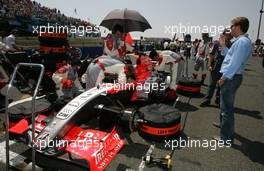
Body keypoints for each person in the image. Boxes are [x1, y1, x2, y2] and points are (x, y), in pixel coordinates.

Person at [213, 17, 252, 145]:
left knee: (227, 109)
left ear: (239, 26)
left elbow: (234, 64)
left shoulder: (241, 42)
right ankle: (223, 125)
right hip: (233, 77)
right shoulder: (242, 41)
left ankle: (226, 138)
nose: (230, 29)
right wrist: (224, 45)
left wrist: (224, 78)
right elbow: (230, 56)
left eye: (232, 26)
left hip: (231, 77)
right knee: (225, 106)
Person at [200, 30, 233, 107]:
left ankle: (218, 100)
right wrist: (209, 65)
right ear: (224, 34)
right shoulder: (217, 43)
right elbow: (211, 55)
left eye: (230, 35)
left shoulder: (231, 44)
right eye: (227, 34)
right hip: (216, 65)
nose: (229, 36)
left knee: (221, 85)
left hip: (225, 66)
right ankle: (207, 100)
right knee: (212, 84)